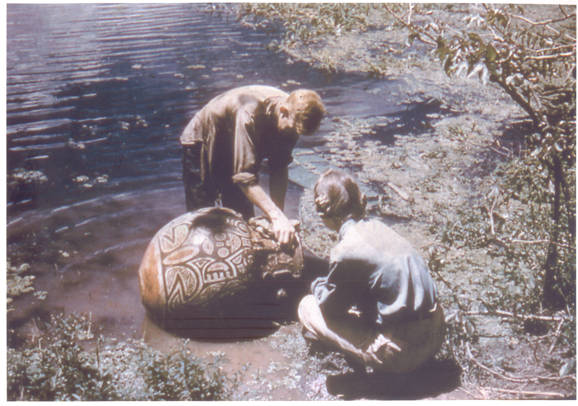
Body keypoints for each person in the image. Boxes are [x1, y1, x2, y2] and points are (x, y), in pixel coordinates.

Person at [298, 169, 444, 374]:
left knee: (308, 306)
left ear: (325, 213)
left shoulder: (346, 250)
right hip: (436, 336)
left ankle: (332, 358)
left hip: (404, 354)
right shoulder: (377, 226)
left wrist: (315, 284)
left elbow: (331, 308)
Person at [180, 85, 326, 247]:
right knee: (203, 223)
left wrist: (278, 218)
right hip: (204, 140)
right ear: (283, 111)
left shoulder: (293, 118)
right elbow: (244, 178)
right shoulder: (249, 114)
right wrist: (276, 217)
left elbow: (279, 167)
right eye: (292, 130)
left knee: (243, 219)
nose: (293, 136)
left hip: (235, 140)